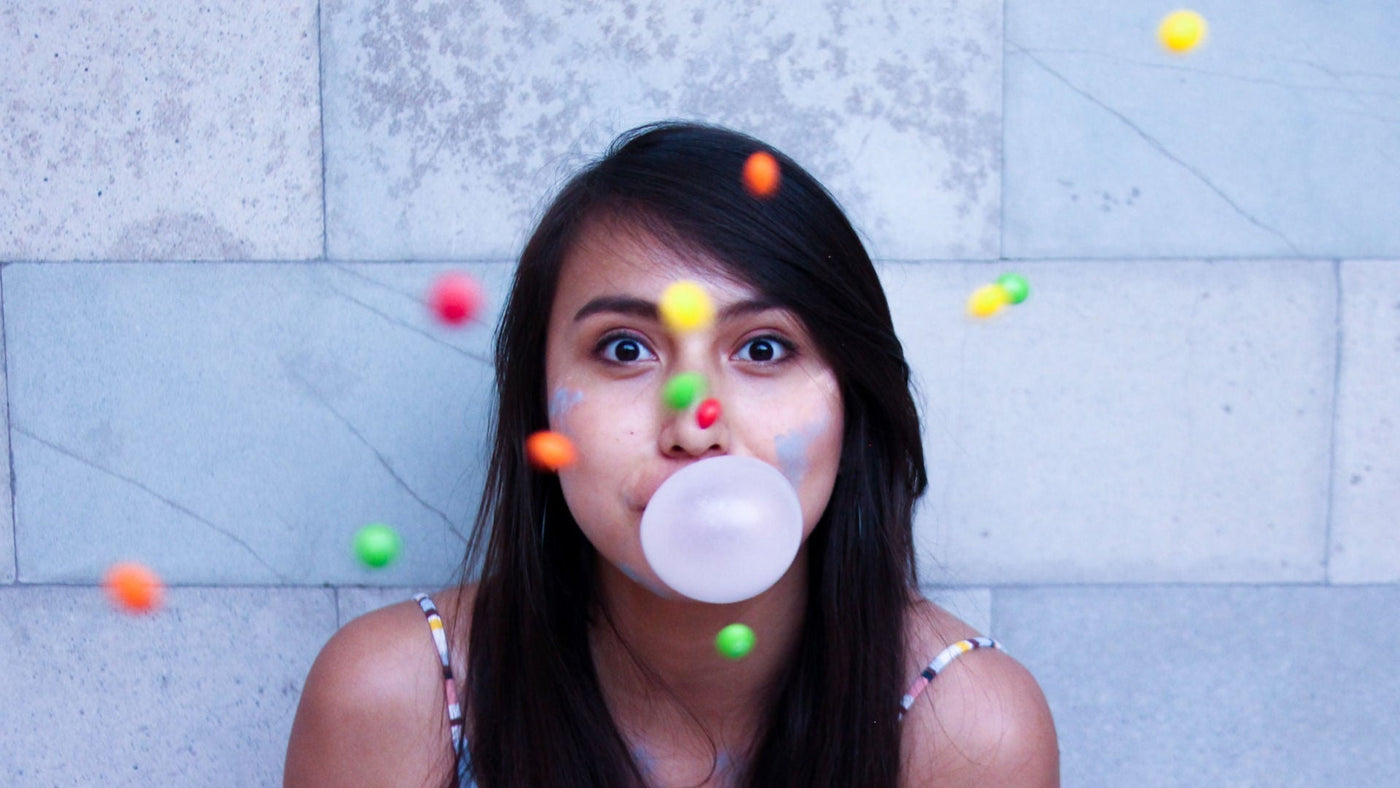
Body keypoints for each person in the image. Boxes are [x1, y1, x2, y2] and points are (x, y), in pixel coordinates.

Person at [284, 122, 1058, 787]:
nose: (694, 424)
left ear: (854, 402)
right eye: (625, 349)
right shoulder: (396, 695)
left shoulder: (968, 727)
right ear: (539, 409)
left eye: (763, 347)